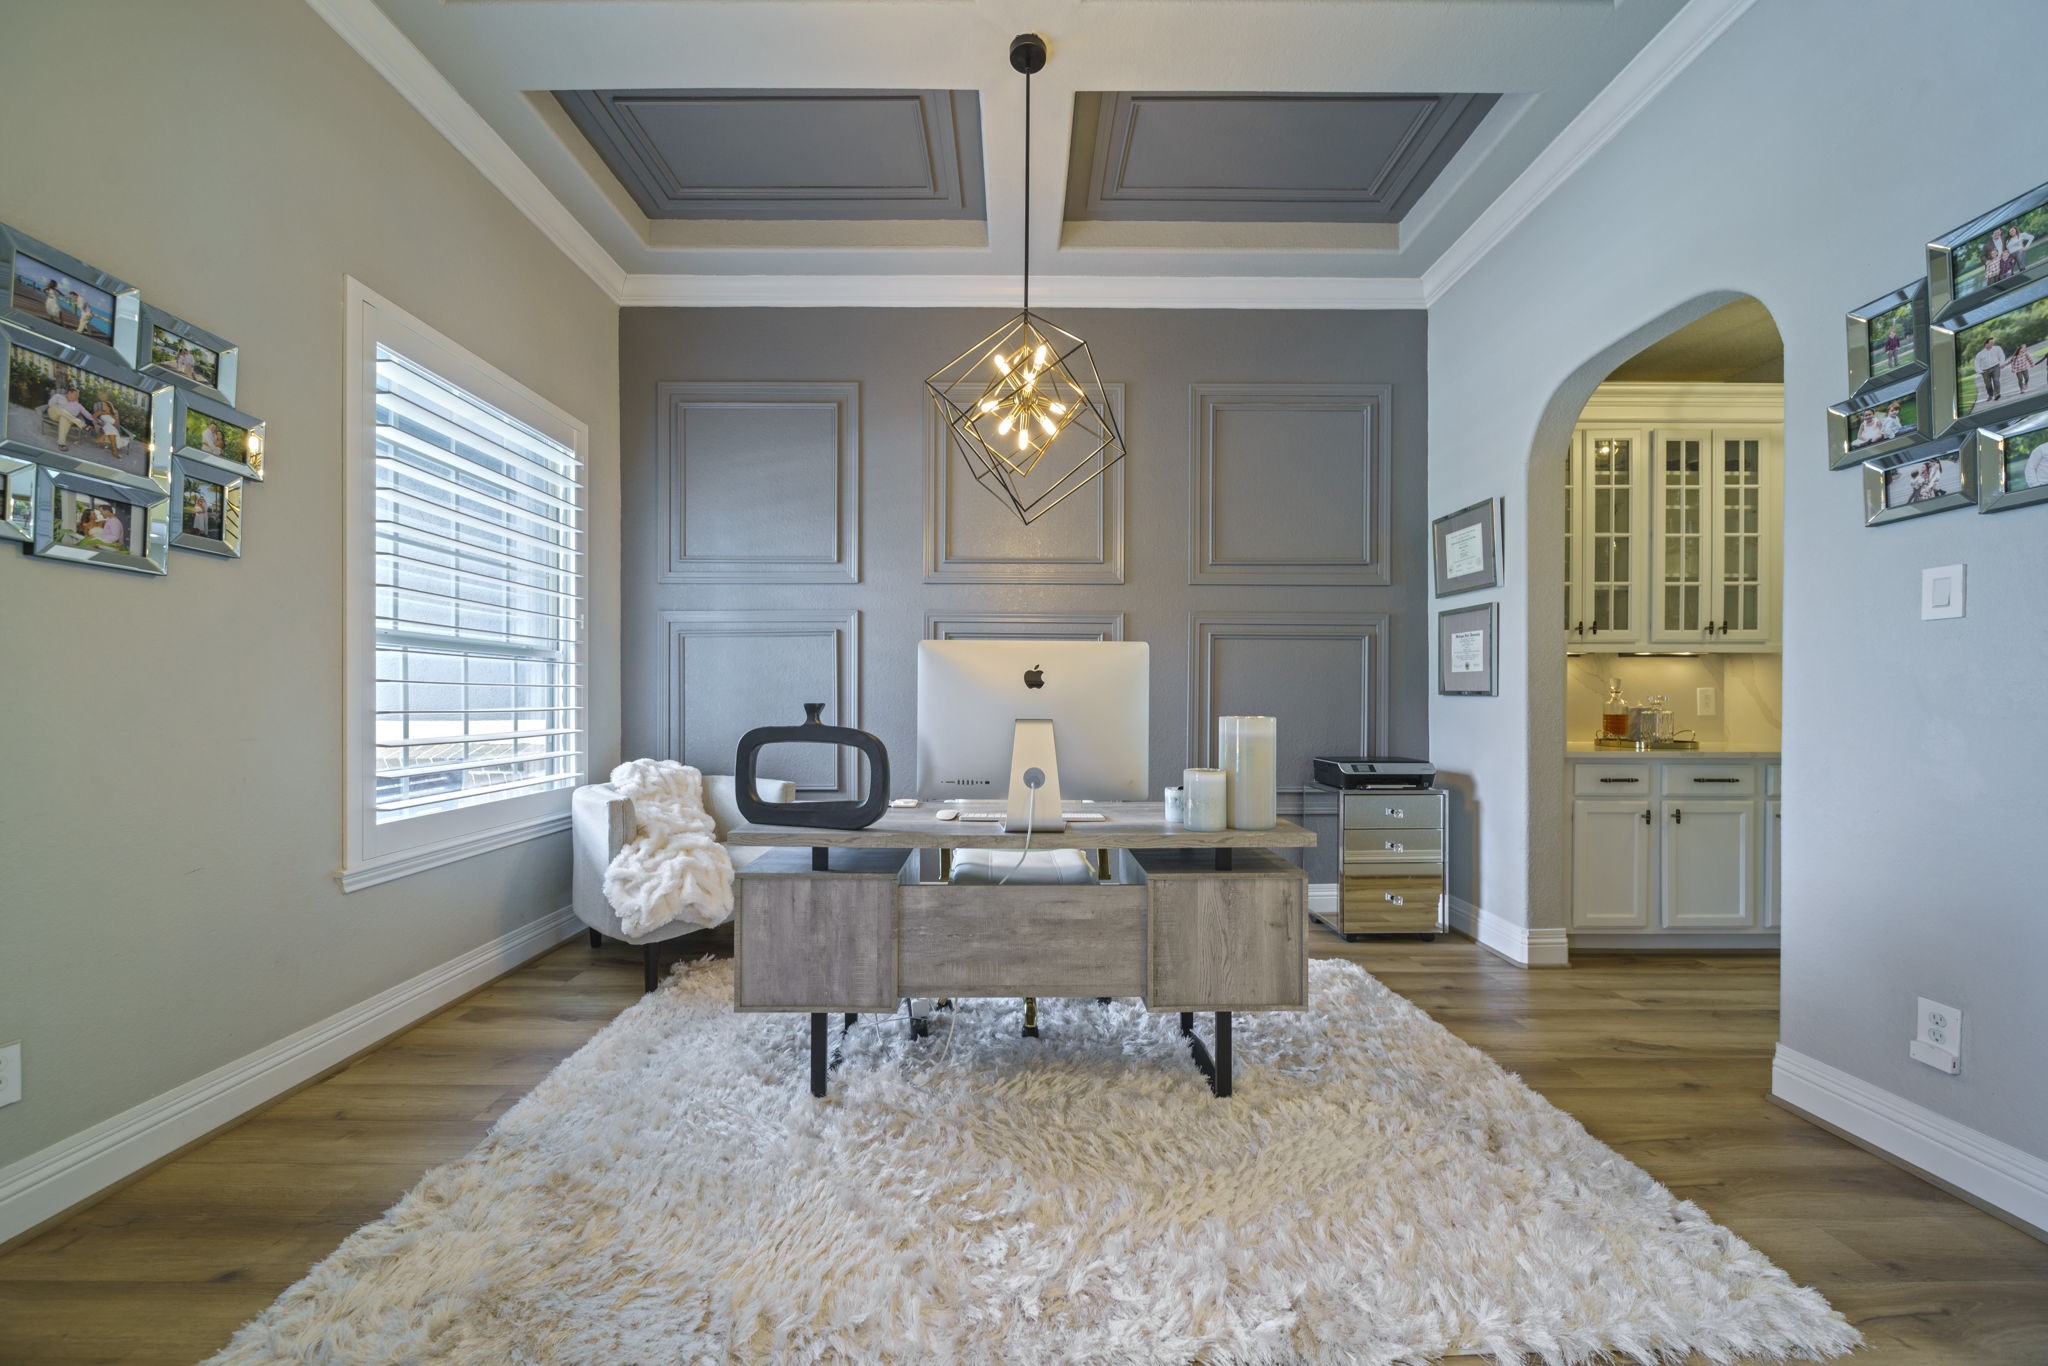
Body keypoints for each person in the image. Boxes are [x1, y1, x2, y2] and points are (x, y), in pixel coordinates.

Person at [46, 384, 92, 451]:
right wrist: (62, 411)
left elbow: (87, 414)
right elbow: (51, 404)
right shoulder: (58, 396)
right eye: (75, 395)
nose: (76, 397)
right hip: (54, 413)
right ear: (70, 392)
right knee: (59, 409)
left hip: (65, 418)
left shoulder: (78, 405)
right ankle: (82, 425)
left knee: (64, 418)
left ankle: (61, 444)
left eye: (77, 396)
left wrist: (97, 421)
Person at [1973, 336, 2008, 407]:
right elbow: (1976, 363)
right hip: (1985, 371)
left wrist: (2002, 363)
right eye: (1991, 342)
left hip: (1996, 367)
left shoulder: (1997, 348)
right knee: (1988, 385)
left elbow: (2001, 356)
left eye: (1993, 342)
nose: (1993, 343)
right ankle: (1990, 395)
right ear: (1986, 344)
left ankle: (1997, 394)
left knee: (1996, 380)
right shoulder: (1980, 354)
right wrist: (1980, 371)